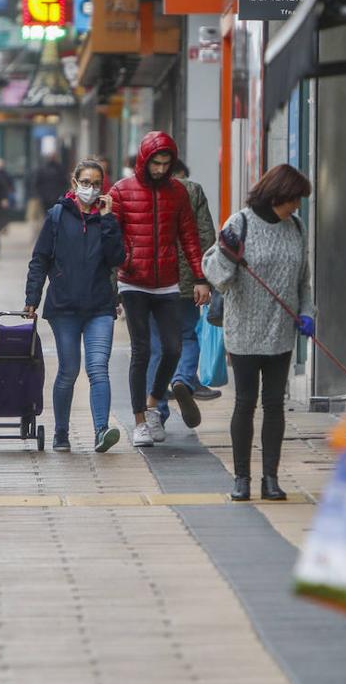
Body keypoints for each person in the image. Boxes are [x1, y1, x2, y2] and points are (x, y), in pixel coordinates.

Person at [202, 165, 313, 502]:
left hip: (281, 332)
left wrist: (307, 313)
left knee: (275, 404)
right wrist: (226, 252)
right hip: (245, 331)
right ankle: (241, 479)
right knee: (246, 404)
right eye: (294, 199)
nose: (297, 207)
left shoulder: (295, 226)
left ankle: (271, 478)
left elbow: (302, 279)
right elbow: (217, 277)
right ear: (277, 195)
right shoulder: (240, 224)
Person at [109, 131, 210, 447]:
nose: (160, 169)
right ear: (144, 160)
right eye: (156, 163)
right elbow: (110, 241)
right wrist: (113, 284)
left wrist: (200, 278)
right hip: (133, 281)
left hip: (167, 282)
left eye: (166, 164)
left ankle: (153, 403)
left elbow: (190, 237)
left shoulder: (177, 193)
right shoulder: (122, 192)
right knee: (142, 351)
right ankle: (140, 421)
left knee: (173, 348)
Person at [23, 159, 125, 453]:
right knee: (68, 370)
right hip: (64, 307)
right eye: (86, 182)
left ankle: (101, 431)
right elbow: (40, 259)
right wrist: (32, 299)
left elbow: (117, 258)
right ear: (74, 183)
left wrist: (107, 220)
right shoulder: (57, 215)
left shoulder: (107, 219)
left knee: (98, 369)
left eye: (96, 184)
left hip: (99, 307)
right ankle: (61, 431)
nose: (91, 189)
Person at [148, 158, 221, 430]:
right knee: (188, 336)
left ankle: (157, 413)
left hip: (152, 281)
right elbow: (206, 236)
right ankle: (182, 379)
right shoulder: (193, 190)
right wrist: (202, 278)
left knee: (156, 347)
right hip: (187, 282)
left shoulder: (142, 189)